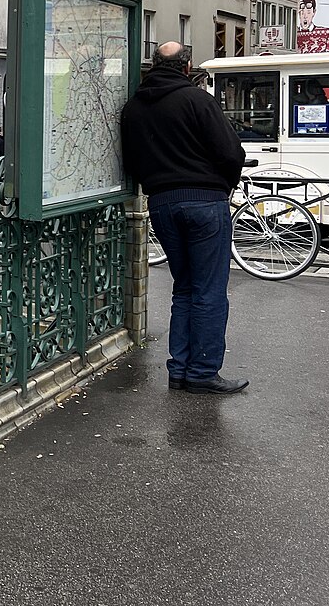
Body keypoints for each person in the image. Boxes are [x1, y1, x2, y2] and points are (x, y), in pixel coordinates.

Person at [120, 42, 248, 395]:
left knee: (185, 287)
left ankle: (179, 370)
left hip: (162, 203)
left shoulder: (133, 108)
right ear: (187, 67)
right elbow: (230, 152)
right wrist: (223, 185)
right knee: (209, 290)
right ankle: (203, 372)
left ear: (154, 64)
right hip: (205, 202)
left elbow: (131, 163)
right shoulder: (197, 100)